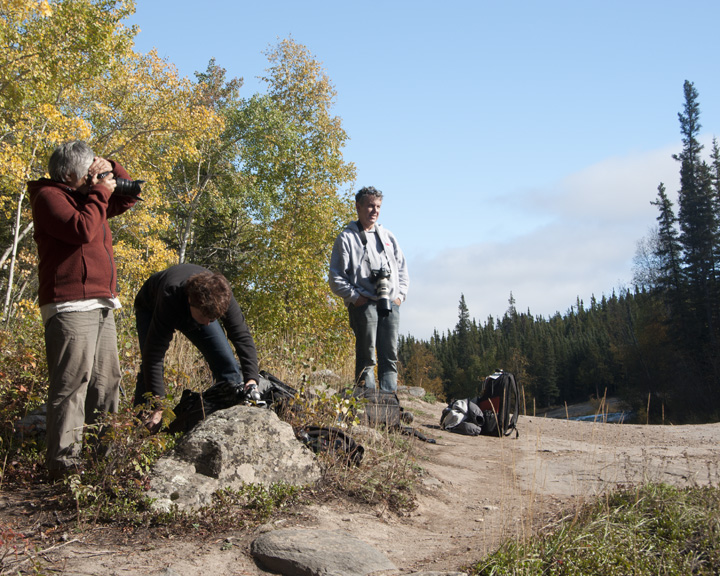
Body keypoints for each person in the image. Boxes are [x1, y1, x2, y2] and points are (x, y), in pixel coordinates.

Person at [28, 140, 140, 479]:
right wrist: (99, 192)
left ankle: (102, 464)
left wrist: (112, 167)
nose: (96, 178)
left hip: (101, 302)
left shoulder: (87, 197)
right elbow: (81, 229)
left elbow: (129, 196)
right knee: (72, 385)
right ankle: (64, 469)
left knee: (106, 383)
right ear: (69, 175)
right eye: (89, 171)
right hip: (70, 304)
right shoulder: (49, 197)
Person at [133, 263, 260, 432]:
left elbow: (242, 336)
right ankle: (141, 429)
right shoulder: (170, 296)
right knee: (149, 371)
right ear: (191, 301)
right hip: (150, 307)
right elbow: (154, 355)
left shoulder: (222, 295)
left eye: (214, 319)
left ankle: (224, 425)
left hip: (195, 307)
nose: (208, 323)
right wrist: (159, 405)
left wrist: (251, 380)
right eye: (206, 317)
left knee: (227, 365)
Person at [329, 186, 409, 391]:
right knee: (367, 356)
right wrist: (355, 297)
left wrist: (399, 296)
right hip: (363, 305)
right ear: (358, 207)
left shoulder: (388, 237)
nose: (374, 211)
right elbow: (336, 278)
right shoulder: (346, 238)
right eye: (370, 206)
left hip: (390, 303)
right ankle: (366, 402)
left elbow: (402, 269)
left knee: (390, 355)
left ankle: (389, 402)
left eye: (378, 206)